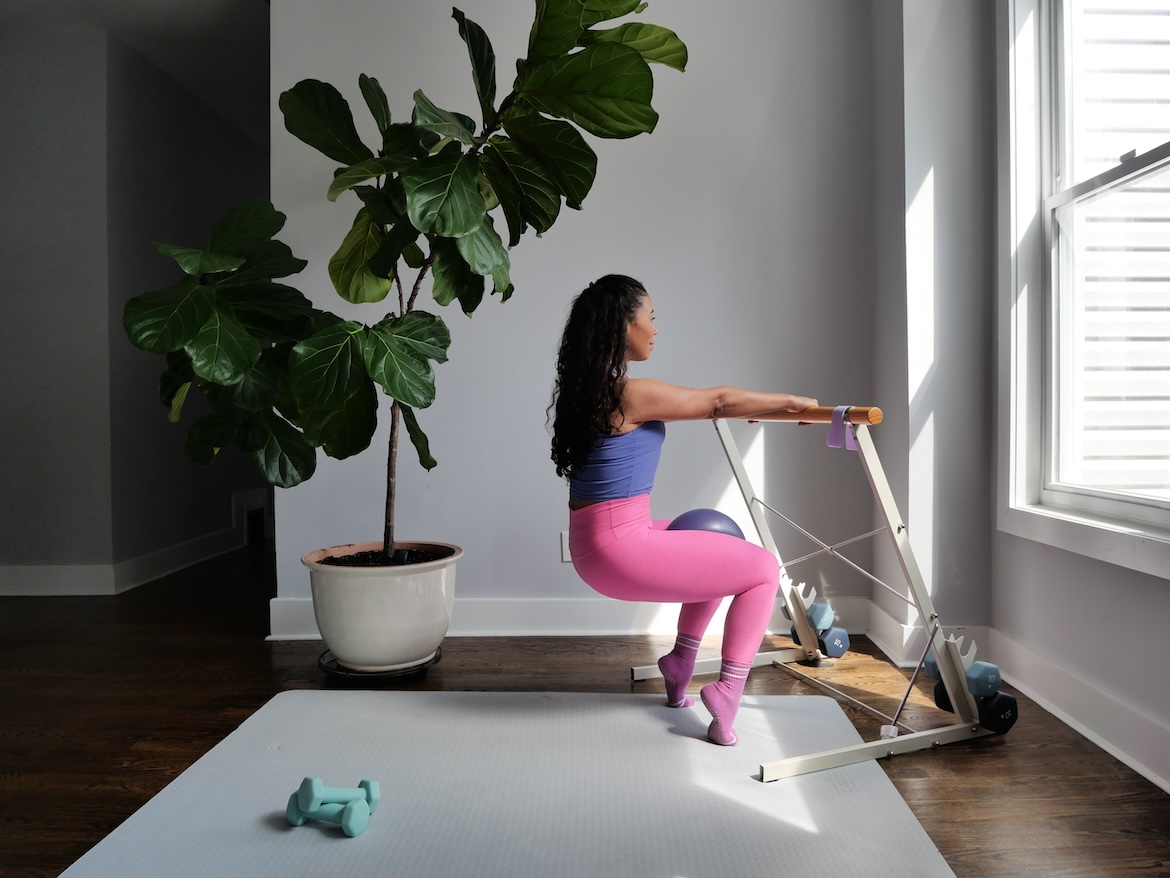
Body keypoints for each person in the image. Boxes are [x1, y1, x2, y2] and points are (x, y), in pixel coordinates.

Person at [549, 274, 817, 746]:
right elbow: (715, 401)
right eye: (650, 318)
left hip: (597, 541)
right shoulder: (627, 393)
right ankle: (729, 689)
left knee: (713, 532)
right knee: (761, 570)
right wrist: (792, 402)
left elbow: (715, 405)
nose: (656, 329)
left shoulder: (590, 388)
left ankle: (680, 662)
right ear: (623, 325)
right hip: (620, 548)